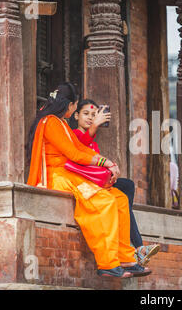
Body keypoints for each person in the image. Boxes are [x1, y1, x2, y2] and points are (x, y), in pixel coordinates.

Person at [26, 82, 151, 278]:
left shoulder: (61, 123)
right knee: (106, 201)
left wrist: (107, 163)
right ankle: (108, 264)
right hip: (58, 177)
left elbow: (80, 148)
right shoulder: (50, 122)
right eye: (76, 105)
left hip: (69, 174)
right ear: (69, 106)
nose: (75, 108)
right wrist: (104, 161)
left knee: (119, 198)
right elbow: (74, 153)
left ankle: (125, 257)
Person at [69, 99, 160, 266]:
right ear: (76, 115)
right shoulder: (73, 134)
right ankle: (136, 246)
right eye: (86, 114)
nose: (91, 118)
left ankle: (135, 244)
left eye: (95, 115)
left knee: (126, 187)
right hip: (83, 185)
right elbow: (80, 148)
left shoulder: (93, 142)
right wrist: (95, 126)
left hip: (95, 183)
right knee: (124, 193)